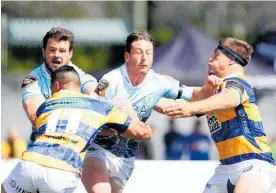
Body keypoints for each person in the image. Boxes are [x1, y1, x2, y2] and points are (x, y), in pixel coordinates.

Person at [82, 30, 222, 193]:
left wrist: (209, 87)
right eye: (139, 52)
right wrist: (121, 125)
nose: (144, 58)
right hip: (99, 150)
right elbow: (90, 118)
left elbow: (194, 95)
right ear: (127, 56)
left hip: (125, 156)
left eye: (148, 53)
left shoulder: (158, 82)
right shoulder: (111, 81)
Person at [1, 65, 152, 193]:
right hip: (62, 172)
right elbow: (143, 133)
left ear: (56, 86)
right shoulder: (100, 107)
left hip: (30, 165)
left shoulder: (45, 106)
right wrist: (122, 119)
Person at [163, 37, 276, 193]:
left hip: (254, 164)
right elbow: (179, 103)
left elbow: (228, 99)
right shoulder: (214, 89)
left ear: (231, 60)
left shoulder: (237, 82)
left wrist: (191, 108)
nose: (210, 59)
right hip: (225, 168)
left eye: (216, 55)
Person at [21, 27, 97, 127]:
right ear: (44, 52)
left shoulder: (81, 76)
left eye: (62, 51)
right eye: (52, 50)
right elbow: (36, 117)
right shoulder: (31, 81)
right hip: (45, 140)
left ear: (70, 54)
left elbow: (97, 98)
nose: (56, 55)